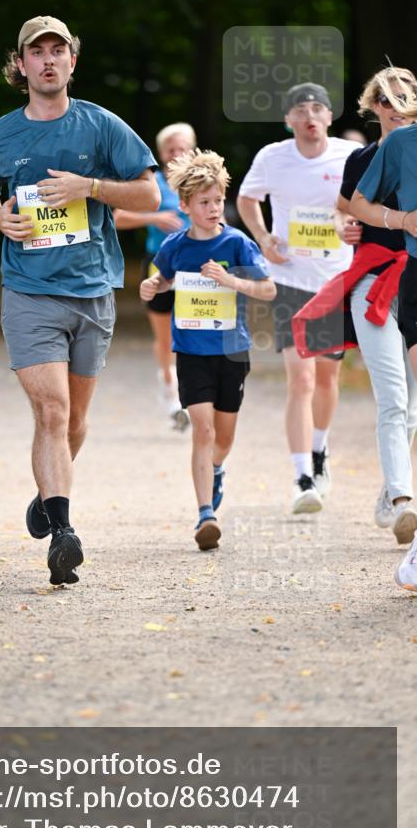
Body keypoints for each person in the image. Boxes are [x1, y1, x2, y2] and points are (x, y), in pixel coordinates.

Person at [0, 16, 159, 586]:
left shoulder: (101, 126)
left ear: (72, 61)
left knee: (74, 422)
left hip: (92, 290)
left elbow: (150, 193)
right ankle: (64, 535)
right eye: (37, 52)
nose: (48, 60)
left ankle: (48, 495)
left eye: (59, 51)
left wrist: (90, 187)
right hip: (28, 291)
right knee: (50, 412)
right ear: (20, 65)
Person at [140, 149, 276, 551]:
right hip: (192, 351)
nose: (214, 208)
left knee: (224, 435)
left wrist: (231, 281)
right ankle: (205, 515)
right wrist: (153, 287)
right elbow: (163, 278)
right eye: (204, 202)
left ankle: (216, 469)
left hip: (232, 351)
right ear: (185, 206)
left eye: (218, 200)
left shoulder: (237, 244)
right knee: (202, 428)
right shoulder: (176, 245)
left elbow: (267, 289)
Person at [237, 83, 361, 514]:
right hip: (290, 279)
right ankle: (301, 476)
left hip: (336, 278)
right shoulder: (273, 157)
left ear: (329, 117)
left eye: (317, 108)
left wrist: (351, 225)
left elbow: (362, 204)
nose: (309, 115)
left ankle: (321, 452)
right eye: (300, 109)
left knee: (326, 379)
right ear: (288, 120)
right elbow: (247, 198)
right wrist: (263, 237)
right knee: (301, 380)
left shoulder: (348, 155)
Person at [335, 68, 417, 547]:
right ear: (373, 106)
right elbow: (347, 210)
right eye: (385, 99)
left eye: (403, 95)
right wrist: (352, 226)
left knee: (412, 404)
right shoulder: (361, 159)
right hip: (374, 284)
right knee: (393, 396)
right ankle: (405, 500)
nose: (394, 104)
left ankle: (391, 490)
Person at [115, 122, 196, 431]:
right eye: (171, 149)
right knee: (166, 338)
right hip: (159, 264)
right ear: (162, 153)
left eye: (182, 148)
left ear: (192, 149)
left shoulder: (202, 184)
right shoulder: (152, 184)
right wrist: (154, 217)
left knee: (192, 330)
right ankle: (169, 390)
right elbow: (118, 217)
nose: (177, 154)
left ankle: (190, 397)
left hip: (197, 266)